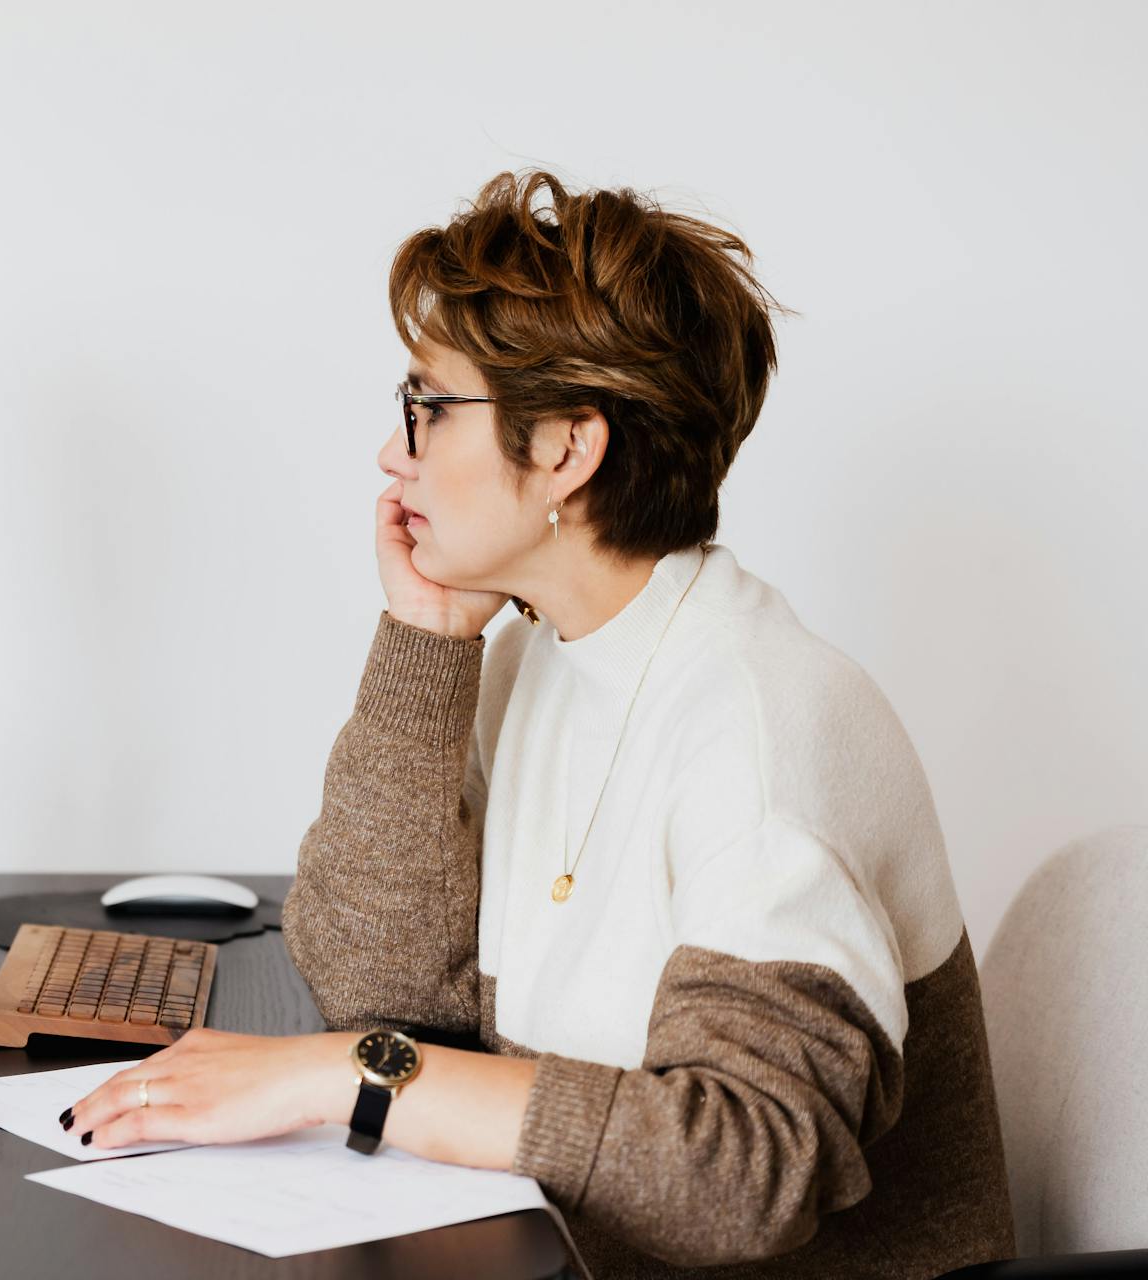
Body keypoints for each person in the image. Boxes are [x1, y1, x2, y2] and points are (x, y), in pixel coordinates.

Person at [63, 169, 1016, 1277]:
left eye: (427, 405)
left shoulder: (763, 726)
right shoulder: (536, 659)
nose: (392, 451)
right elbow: (377, 986)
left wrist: (348, 1077)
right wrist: (426, 638)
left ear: (567, 447)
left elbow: (740, 1174)